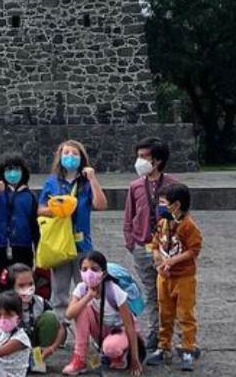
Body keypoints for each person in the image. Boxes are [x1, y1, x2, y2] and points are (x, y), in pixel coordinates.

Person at [38, 140, 107, 316]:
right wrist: (57, 209)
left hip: (82, 243)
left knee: (84, 288)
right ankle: (60, 331)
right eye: (66, 153)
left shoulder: (85, 182)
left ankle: (85, 329)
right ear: (59, 157)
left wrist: (92, 179)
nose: (70, 157)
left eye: (75, 154)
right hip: (60, 243)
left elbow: (100, 205)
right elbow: (40, 209)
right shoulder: (52, 181)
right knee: (59, 292)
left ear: (82, 158)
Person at [123, 137, 176, 353]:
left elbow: (182, 217)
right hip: (142, 246)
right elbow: (129, 216)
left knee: (171, 291)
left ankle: (174, 334)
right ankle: (155, 331)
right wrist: (131, 241)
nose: (140, 161)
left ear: (158, 160)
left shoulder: (173, 185)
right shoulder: (135, 186)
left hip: (166, 249)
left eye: (145, 157)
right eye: (139, 156)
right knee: (151, 292)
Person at [147, 182, 201, 371]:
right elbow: (154, 245)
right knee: (165, 313)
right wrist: (159, 261)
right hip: (164, 277)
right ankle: (164, 347)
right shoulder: (163, 223)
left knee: (185, 313)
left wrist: (173, 261)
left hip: (184, 277)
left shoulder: (188, 225)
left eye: (163, 202)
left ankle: (187, 347)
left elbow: (194, 250)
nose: (159, 206)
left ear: (176, 205)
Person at [62, 251, 143, 376]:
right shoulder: (82, 288)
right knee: (81, 309)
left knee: (111, 347)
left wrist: (135, 359)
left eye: (94, 269)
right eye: (84, 269)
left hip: (119, 331)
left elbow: (129, 326)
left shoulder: (114, 291)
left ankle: (120, 355)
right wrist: (88, 297)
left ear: (103, 273)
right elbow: (69, 314)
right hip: (101, 329)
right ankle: (79, 359)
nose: (89, 273)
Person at [0, 156, 39, 289]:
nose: (13, 173)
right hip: (3, 247)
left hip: (24, 247)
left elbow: (35, 226)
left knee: (23, 284)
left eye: (17, 169)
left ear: (23, 172)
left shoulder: (29, 196)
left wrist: (38, 249)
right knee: (3, 284)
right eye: (9, 169)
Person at [3, 263, 64, 374]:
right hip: (13, 348)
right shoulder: (5, 305)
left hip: (35, 346)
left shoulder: (41, 302)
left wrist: (51, 348)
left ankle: (37, 359)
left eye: (30, 284)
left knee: (50, 317)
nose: (27, 289)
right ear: (12, 287)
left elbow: (60, 328)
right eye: (21, 286)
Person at [0, 292, 30, 377]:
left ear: (19, 316)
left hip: (9, 375)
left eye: (8, 315)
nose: (3, 319)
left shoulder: (20, 339)